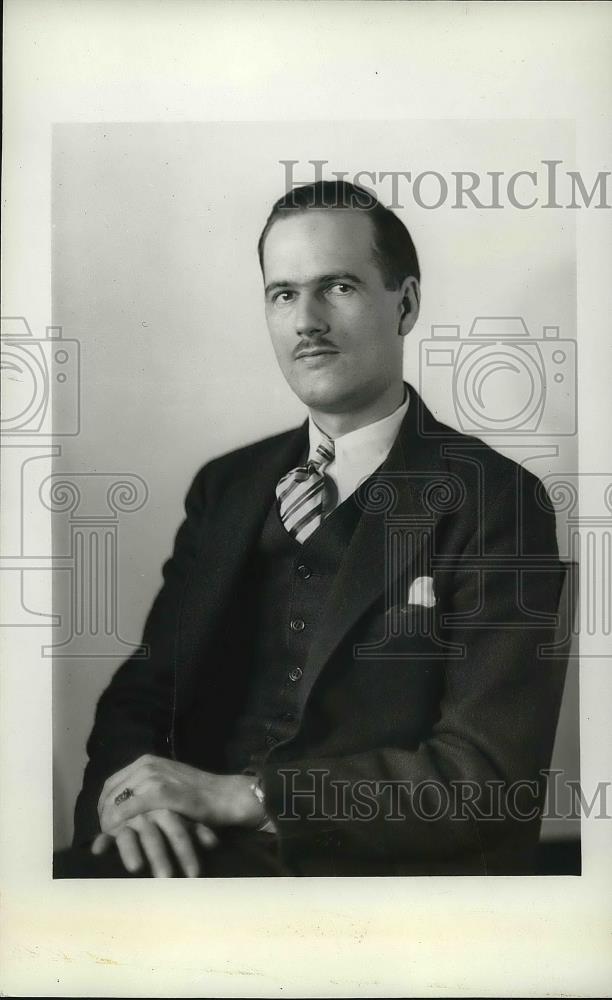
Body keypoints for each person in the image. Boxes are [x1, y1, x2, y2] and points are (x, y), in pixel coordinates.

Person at [55, 180, 566, 878]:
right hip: (185, 854)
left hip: (371, 880)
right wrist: (130, 804)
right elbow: (144, 697)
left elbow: (487, 776)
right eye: (283, 294)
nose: (307, 321)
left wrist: (252, 796)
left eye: (340, 287)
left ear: (406, 303)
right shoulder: (227, 487)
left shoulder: (499, 501)